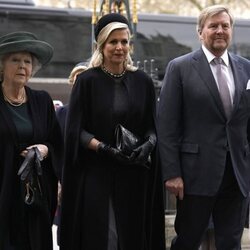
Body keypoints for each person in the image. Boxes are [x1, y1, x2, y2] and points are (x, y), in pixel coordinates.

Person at [60, 13, 165, 250]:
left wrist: (149, 142)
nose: (120, 48)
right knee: (105, 237)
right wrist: (103, 148)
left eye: (124, 42)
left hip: (135, 173)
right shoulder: (87, 80)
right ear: (101, 45)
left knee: (132, 236)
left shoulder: (143, 81)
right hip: (98, 172)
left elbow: (152, 124)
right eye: (113, 42)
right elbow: (75, 130)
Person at [157, 4, 250, 250]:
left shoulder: (246, 68)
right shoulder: (180, 67)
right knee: (188, 240)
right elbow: (167, 125)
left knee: (231, 243)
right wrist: (172, 173)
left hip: (237, 175)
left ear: (231, 30)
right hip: (195, 175)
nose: (220, 31)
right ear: (200, 32)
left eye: (225, 26)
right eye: (213, 26)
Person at [0, 31, 63, 250]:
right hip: (4, 192)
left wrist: (45, 148)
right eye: (15, 60)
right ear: (1, 65)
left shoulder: (42, 100)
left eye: (27, 61)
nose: (22, 66)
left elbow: (57, 143)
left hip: (34, 193)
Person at [54, 62, 87, 246]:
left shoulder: (97, 111)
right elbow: (57, 148)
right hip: (68, 179)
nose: (79, 82)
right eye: (76, 79)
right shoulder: (62, 113)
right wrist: (58, 182)